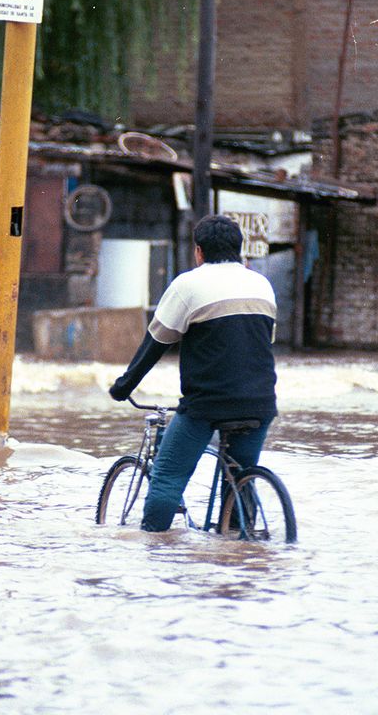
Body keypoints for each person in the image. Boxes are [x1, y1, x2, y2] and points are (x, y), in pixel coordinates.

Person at [109, 214, 278, 531]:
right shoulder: (262, 285)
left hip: (206, 405)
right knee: (240, 475)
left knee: (167, 477)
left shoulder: (187, 285)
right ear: (239, 249)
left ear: (198, 251)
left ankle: (154, 551)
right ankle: (242, 548)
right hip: (261, 402)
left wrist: (123, 387)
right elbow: (265, 342)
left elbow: (155, 344)